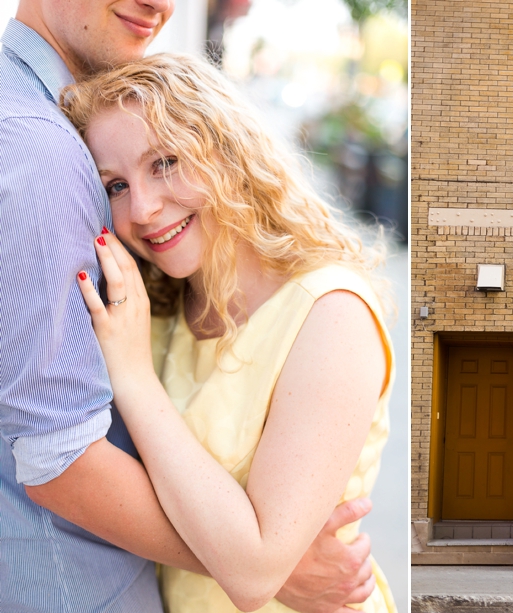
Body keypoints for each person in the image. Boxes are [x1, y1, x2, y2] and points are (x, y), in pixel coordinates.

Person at [0, 2, 376, 611]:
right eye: (115, 186)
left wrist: (132, 375)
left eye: (166, 163)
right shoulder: (164, 307)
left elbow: (254, 573)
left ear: (229, 152)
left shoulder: (330, 314)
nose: (143, 209)